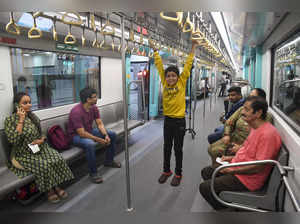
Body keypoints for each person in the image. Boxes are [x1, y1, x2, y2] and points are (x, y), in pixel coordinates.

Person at [199, 96, 282, 211]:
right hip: (238, 168)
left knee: (205, 187)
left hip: (248, 179)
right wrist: (230, 158)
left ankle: (225, 210)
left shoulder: (268, 135)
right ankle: (226, 201)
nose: (242, 112)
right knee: (207, 171)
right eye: (243, 109)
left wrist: (232, 170)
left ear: (258, 113)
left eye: (246, 110)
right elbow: (248, 152)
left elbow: (258, 167)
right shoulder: (255, 128)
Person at [4, 92, 74, 203]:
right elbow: (14, 141)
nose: (29, 105)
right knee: (43, 166)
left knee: (56, 158)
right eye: (25, 103)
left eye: (30, 102)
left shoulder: (32, 117)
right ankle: (49, 190)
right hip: (22, 153)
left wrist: (41, 140)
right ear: (17, 105)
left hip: (38, 147)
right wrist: (21, 120)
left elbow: (41, 134)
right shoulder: (10, 120)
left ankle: (55, 185)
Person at [150, 39, 198, 186]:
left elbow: (188, 64)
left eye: (173, 76)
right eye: (168, 75)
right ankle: (166, 171)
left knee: (178, 148)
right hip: (168, 121)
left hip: (179, 121)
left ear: (178, 77)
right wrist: (155, 51)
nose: (170, 78)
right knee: (166, 147)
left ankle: (178, 173)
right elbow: (158, 65)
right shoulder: (164, 83)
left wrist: (193, 47)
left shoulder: (182, 82)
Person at [208, 88, 273, 167]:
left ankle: (221, 170)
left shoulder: (264, 119)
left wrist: (241, 148)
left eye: (253, 97)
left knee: (216, 150)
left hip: (243, 144)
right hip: (233, 137)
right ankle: (216, 168)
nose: (249, 99)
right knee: (211, 148)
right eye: (249, 96)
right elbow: (229, 122)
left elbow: (256, 141)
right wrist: (227, 134)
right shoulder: (242, 109)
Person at [68, 87, 121, 184]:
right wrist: (98, 139)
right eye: (94, 97)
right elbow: (81, 133)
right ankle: (93, 173)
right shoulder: (76, 112)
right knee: (90, 144)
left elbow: (99, 124)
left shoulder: (94, 108)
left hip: (89, 131)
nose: (96, 98)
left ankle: (109, 161)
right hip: (76, 136)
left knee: (112, 134)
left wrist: (105, 135)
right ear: (88, 99)